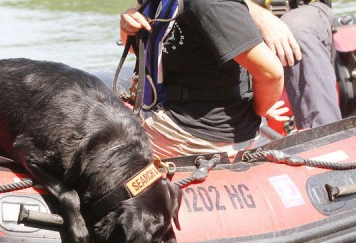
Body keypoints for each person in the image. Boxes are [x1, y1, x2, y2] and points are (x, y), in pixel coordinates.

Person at [120, 0, 288, 158]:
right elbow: (140, 51)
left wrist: (259, 108)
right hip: (170, 110)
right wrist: (128, 26)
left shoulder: (212, 5)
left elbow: (271, 73)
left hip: (197, 133)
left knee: (106, 154)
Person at [246, 0, 342, 129]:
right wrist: (259, 16)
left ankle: (325, 135)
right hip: (237, 12)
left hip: (302, 10)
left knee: (296, 32)